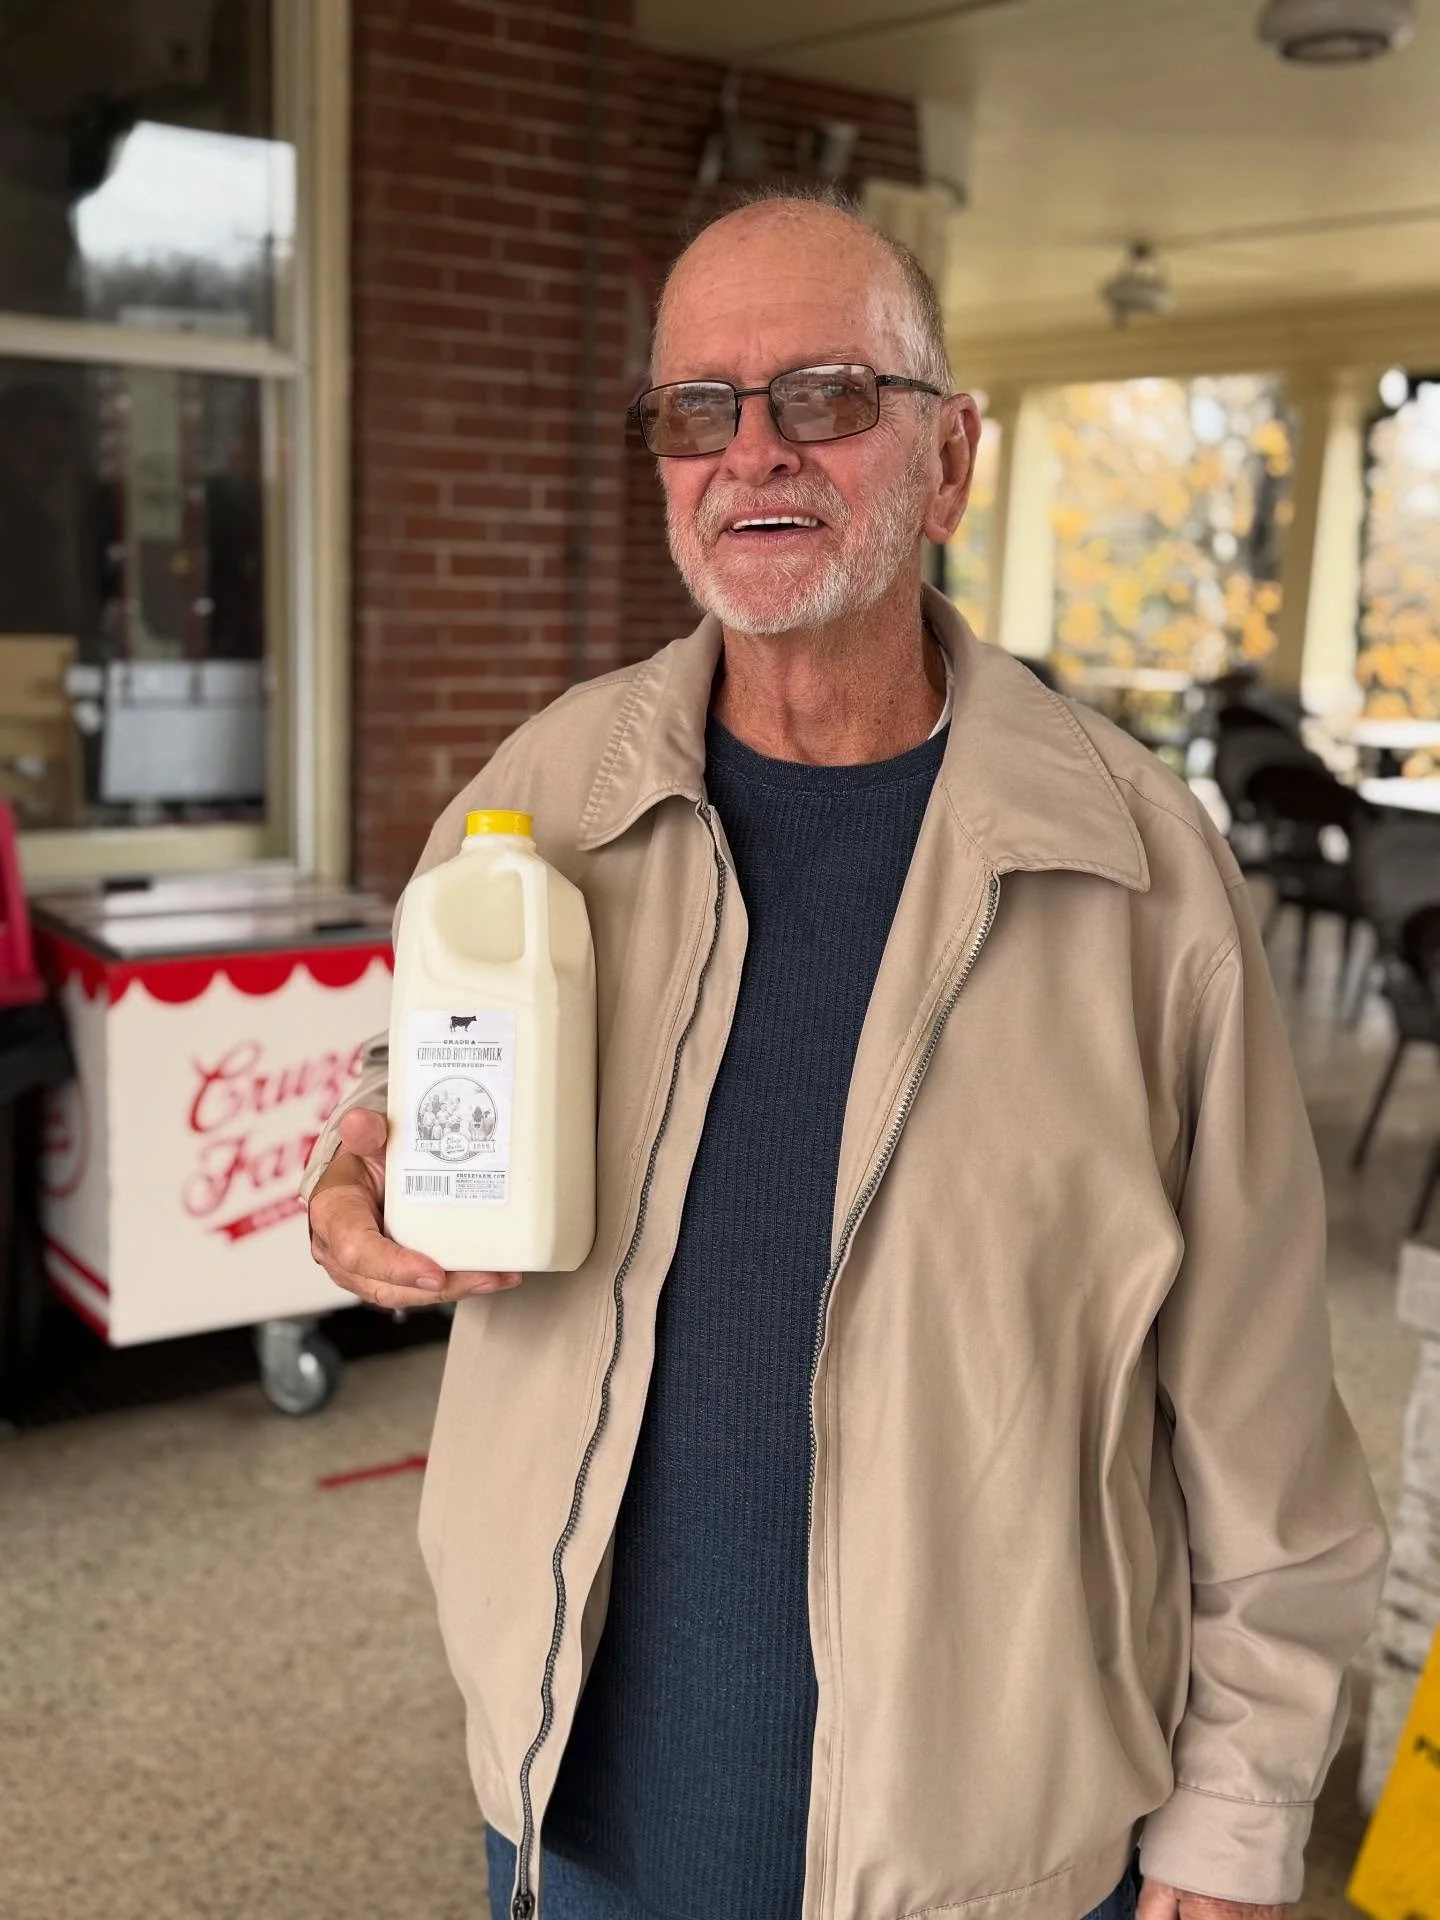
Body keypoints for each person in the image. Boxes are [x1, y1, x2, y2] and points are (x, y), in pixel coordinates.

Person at [303, 191, 1387, 1920]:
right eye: (697, 410)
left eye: (824, 397)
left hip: (990, 1851)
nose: (754, 458)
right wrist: (363, 1154)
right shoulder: (558, 787)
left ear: (951, 458)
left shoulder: (1134, 867)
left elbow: (1261, 1410)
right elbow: (420, 1052)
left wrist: (1241, 1814)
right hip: (574, 1805)